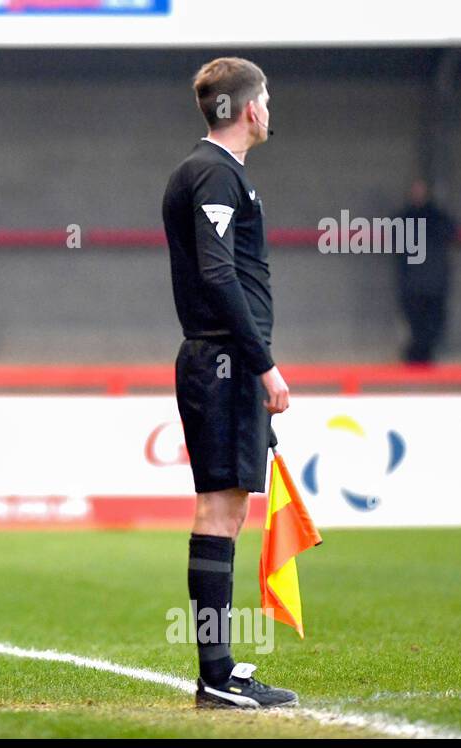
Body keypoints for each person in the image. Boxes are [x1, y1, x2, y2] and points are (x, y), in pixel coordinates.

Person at [161, 57, 296, 708]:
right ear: (248, 109)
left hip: (221, 361)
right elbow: (218, 276)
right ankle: (215, 675)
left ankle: (221, 667)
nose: (270, 109)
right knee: (219, 509)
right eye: (266, 99)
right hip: (224, 362)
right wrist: (262, 362)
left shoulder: (218, 173)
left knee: (229, 507)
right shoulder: (214, 173)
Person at [396, 178, 458, 364]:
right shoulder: (404, 218)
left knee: (433, 324)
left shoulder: (437, 217)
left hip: (433, 282)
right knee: (417, 324)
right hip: (413, 283)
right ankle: (418, 357)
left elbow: (451, 231)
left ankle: (419, 356)